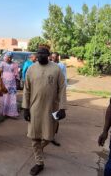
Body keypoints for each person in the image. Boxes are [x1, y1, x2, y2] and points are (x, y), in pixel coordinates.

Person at [22, 45, 67, 176]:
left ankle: (38, 149)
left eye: (43, 53)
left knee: (49, 136)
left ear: (48, 55)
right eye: (39, 53)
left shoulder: (56, 69)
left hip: (51, 109)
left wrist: (62, 108)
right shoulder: (31, 69)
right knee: (34, 136)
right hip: (34, 109)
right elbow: (26, 90)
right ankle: (39, 162)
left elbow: (62, 89)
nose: (40, 55)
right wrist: (25, 108)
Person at [50, 52, 68, 146]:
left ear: (58, 57)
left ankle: (52, 136)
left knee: (55, 115)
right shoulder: (48, 65)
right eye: (52, 57)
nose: (53, 58)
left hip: (57, 93)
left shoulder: (61, 65)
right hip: (49, 93)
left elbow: (64, 78)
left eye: (55, 57)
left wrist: (63, 90)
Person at [0, 52, 19, 118]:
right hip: (4, 83)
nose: (8, 58)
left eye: (10, 57)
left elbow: (16, 74)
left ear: (11, 58)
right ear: (5, 57)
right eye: (7, 57)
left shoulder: (15, 64)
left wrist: (17, 83)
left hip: (12, 84)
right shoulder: (2, 64)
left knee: (11, 97)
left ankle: (11, 113)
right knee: (3, 96)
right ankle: (3, 112)